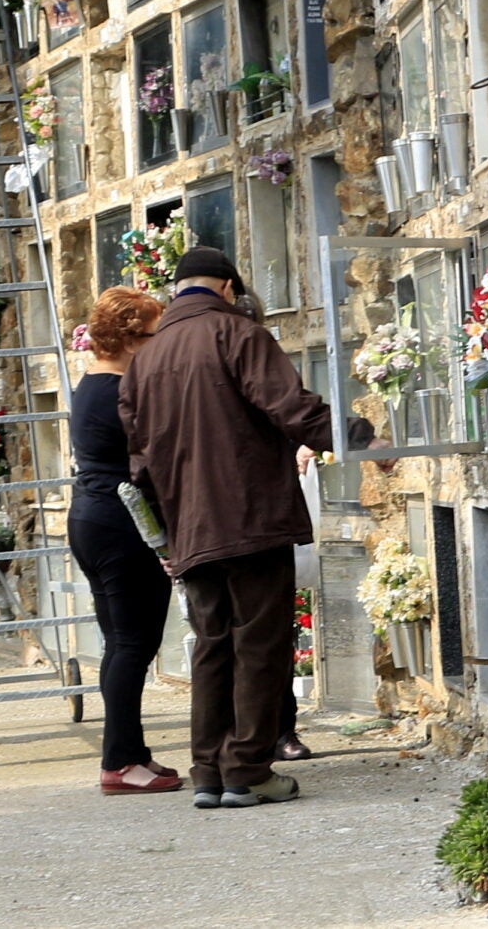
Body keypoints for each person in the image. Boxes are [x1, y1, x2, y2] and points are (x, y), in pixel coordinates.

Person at [120, 245, 338, 809]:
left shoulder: (143, 362)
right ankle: (248, 770)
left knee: (211, 645)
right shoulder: (238, 334)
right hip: (251, 518)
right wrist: (358, 436)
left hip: (190, 527)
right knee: (260, 643)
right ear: (226, 288)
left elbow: (138, 463)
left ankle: (208, 772)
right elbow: (289, 405)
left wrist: (166, 534)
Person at [66, 286, 182, 795]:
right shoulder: (118, 392)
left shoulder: (93, 382)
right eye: (156, 334)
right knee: (133, 644)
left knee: (122, 643)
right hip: (121, 525)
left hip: (95, 520)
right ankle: (118, 764)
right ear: (133, 339)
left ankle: (131, 752)